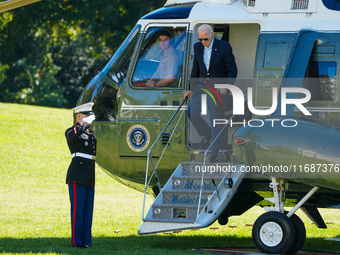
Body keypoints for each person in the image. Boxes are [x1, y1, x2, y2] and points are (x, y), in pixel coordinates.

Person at [184, 24, 237, 162]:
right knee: (192, 112)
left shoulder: (224, 47)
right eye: (201, 39)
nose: (203, 42)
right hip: (201, 85)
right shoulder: (197, 47)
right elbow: (195, 69)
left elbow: (232, 69)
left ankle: (214, 155)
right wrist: (190, 88)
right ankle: (207, 133)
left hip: (217, 88)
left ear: (212, 34)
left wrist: (226, 86)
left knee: (215, 120)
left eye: (205, 39)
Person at [65, 102, 97, 248]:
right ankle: (76, 242)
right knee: (77, 210)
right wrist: (84, 124)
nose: (90, 118)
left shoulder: (90, 134)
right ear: (78, 117)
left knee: (88, 210)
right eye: (86, 115)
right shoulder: (72, 131)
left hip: (89, 175)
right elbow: (73, 137)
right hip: (77, 175)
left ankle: (86, 242)